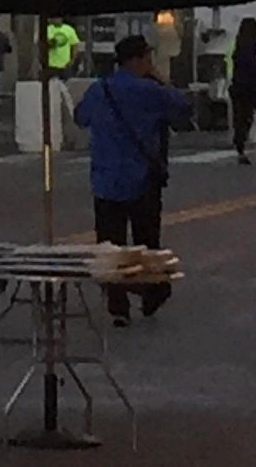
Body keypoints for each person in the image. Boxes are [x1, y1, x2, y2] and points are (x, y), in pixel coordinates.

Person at [72, 34, 193, 327]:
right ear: (137, 60)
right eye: (147, 58)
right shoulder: (149, 91)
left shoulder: (99, 90)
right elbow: (184, 107)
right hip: (141, 179)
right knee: (147, 243)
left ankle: (118, 304)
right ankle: (152, 291)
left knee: (110, 247)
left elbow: (80, 118)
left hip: (105, 178)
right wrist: (161, 80)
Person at [228, 18, 256, 164]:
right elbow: (253, 66)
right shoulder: (252, 45)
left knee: (242, 119)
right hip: (253, 86)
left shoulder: (238, 45)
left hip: (239, 86)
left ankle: (241, 151)